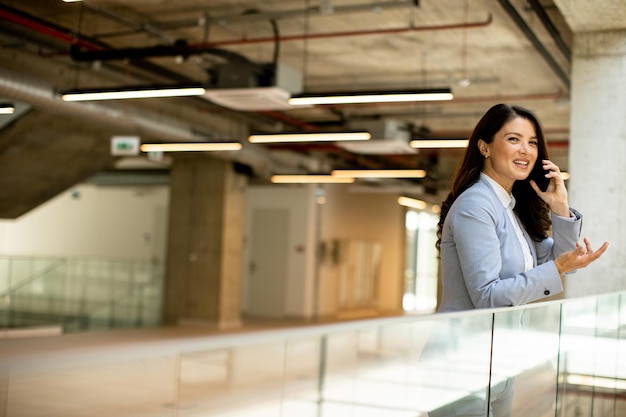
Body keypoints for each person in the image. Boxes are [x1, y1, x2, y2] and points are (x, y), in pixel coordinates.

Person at [431, 103, 609, 417]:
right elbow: (488, 297)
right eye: (514, 139)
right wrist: (558, 268)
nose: (525, 149)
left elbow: (558, 260)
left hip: (497, 362)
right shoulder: (476, 205)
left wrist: (561, 207)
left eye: (532, 142)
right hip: (461, 366)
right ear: (484, 146)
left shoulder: (511, 209)